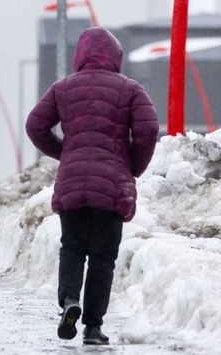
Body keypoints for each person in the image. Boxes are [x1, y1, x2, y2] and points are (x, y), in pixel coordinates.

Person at [25, 27, 158, 345]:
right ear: (116, 57)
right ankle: (93, 327)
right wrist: (132, 165)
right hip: (112, 184)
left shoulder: (63, 87)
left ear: (80, 56)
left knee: (72, 248)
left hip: (73, 181)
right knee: (102, 257)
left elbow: (35, 125)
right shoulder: (130, 89)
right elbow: (148, 129)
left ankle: (70, 300)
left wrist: (65, 151)